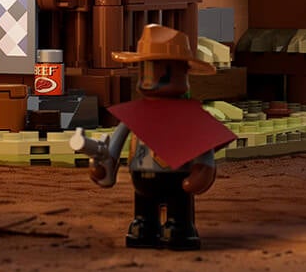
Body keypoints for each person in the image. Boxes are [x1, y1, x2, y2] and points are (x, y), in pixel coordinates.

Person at [75, 24, 234, 250]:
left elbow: (203, 142)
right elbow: (113, 147)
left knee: (179, 209)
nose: (151, 76)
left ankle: (180, 226)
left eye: (159, 68)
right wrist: (102, 164)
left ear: (181, 72)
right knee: (144, 210)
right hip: (141, 177)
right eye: (146, 69)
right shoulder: (134, 113)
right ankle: (144, 225)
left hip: (177, 176)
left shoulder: (188, 114)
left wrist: (204, 168)